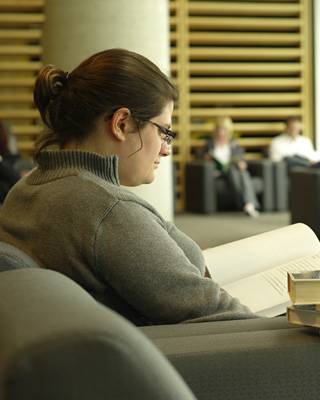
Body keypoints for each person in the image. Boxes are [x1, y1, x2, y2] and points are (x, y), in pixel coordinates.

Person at [0, 48, 255, 325]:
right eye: (164, 132)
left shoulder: (26, 189)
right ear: (121, 123)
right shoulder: (108, 211)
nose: (166, 150)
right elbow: (223, 316)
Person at [196, 116, 260, 217]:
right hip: (217, 173)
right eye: (219, 129)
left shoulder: (233, 144)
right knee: (237, 171)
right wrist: (206, 157)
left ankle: (248, 205)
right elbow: (199, 156)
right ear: (216, 130)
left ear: (228, 131)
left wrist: (241, 163)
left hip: (232, 172)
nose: (221, 133)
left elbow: (241, 157)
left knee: (240, 172)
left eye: (224, 130)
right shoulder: (209, 144)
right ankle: (249, 204)